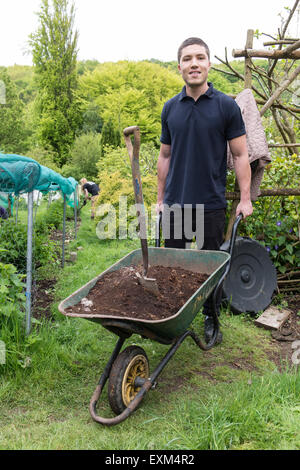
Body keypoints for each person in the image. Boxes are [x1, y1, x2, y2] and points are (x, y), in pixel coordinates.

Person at [157, 37, 253, 344]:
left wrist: (246, 198)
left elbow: (240, 155)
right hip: (175, 203)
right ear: (180, 66)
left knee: (211, 266)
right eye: (187, 59)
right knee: (172, 265)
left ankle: (211, 317)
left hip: (211, 203)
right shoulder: (170, 108)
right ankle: (173, 317)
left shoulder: (226, 106)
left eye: (199, 58)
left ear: (209, 64)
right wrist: (160, 199)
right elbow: (165, 156)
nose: (194, 64)